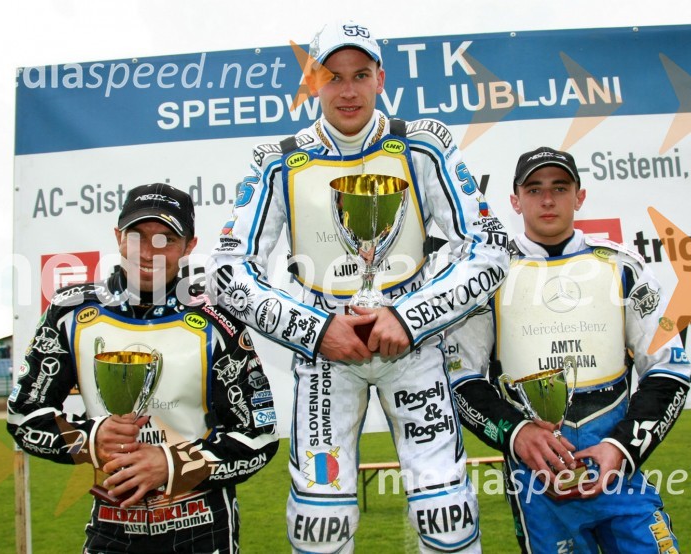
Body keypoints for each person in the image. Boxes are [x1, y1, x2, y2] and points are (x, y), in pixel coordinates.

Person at [206, 19, 509, 553]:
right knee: (320, 520)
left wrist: (409, 317)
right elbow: (229, 271)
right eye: (334, 77)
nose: (348, 90)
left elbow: (488, 248)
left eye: (360, 75)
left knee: (446, 511)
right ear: (314, 83)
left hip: (413, 350)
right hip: (326, 355)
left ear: (380, 79)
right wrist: (315, 328)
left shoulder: (423, 145)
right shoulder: (279, 159)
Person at [7, 183, 279, 553]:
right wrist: (89, 440)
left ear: (189, 247)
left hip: (201, 525)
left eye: (166, 238)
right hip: (112, 525)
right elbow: (23, 416)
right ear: (118, 237)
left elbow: (259, 436)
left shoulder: (217, 316)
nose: (149, 251)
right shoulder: (71, 312)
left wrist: (171, 465)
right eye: (137, 235)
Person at [449, 147, 691, 553]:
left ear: (579, 196)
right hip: (539, 483)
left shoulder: (623, 266)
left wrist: (621, 448)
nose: (547, 200)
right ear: (514, 199)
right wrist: (517, 434)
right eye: (534, 189)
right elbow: (462, 379)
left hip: (619, 472)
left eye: (560, 188)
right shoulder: (486, 276)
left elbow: (670, 371)